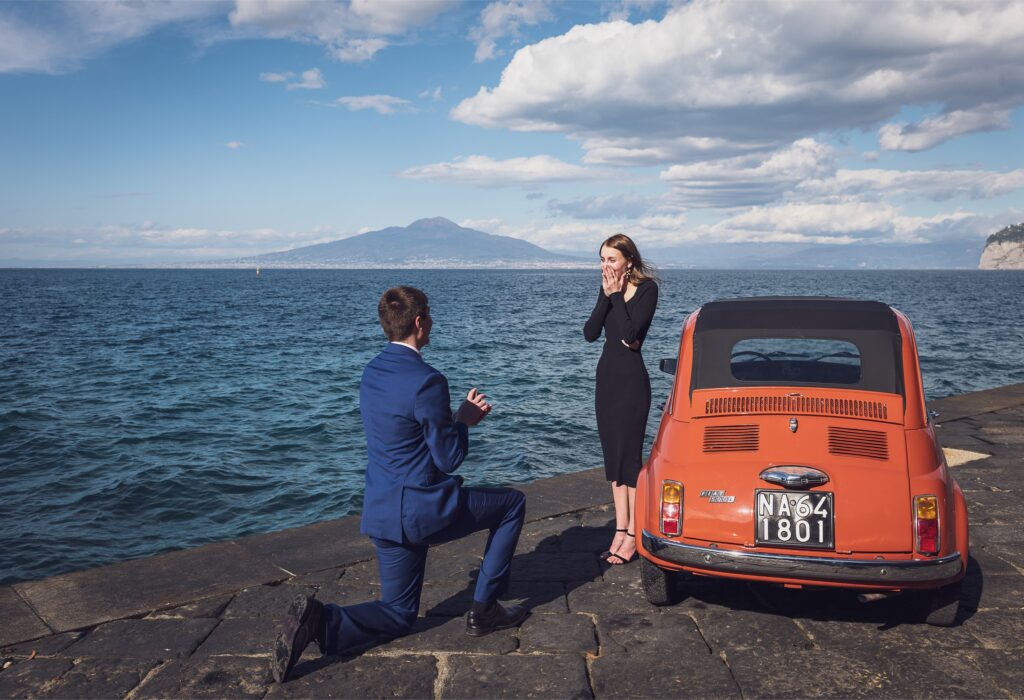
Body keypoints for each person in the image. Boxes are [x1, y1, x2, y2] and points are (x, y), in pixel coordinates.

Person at [272, 286, 528, 683]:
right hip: (422, 510)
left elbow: (401, 437)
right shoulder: (428, 381)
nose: (433, 322)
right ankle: (484, 610)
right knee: (512, 504)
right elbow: (449, 458)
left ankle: (320, 622)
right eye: (431, 315)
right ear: (421, 322)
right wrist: (463, 421)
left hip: (382, 508)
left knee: (399, 614)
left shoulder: (371, 371)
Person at [583, 234, 659, 566]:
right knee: (613, 460)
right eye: (601, 259)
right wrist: (606, 296)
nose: (605, 266)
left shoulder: (647, 290)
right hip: (606, 381)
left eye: (611, 259)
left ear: (628, 260)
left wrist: (616, 296)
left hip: (631, 382)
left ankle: (633, 535)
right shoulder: (608, 289)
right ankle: (620, 529)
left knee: (630, 460)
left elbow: (631, 336)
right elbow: (590, 333)